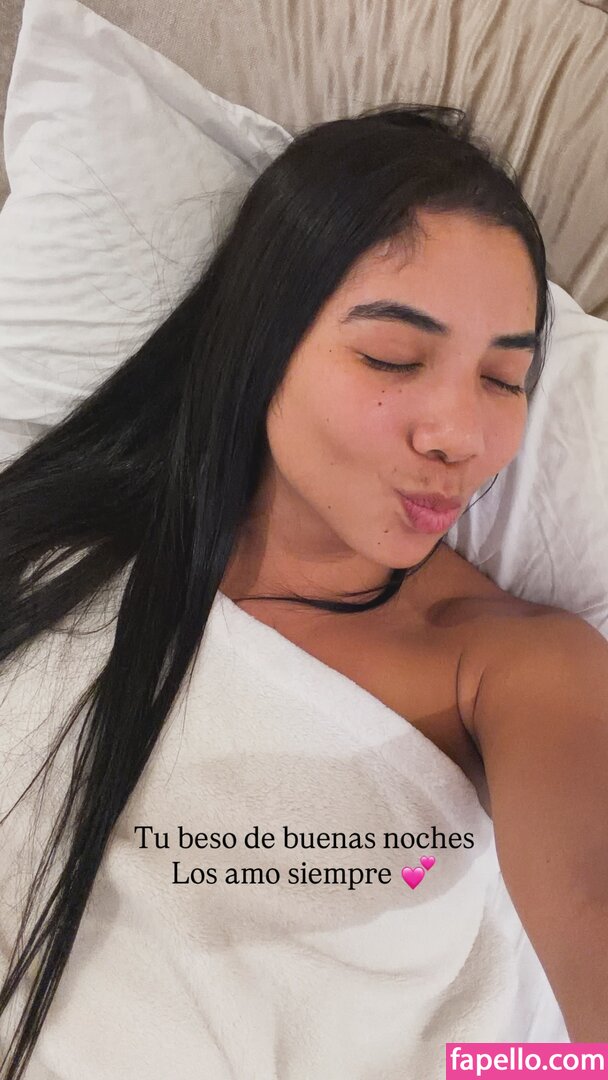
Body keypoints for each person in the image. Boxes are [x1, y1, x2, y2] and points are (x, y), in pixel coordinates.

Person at [0, 103, 607, 1078]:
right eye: (392, 358)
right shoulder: (62, 561)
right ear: (263, 340)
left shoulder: (511, 663)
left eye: (504, 379)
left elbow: (589, 898)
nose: (458, 435)